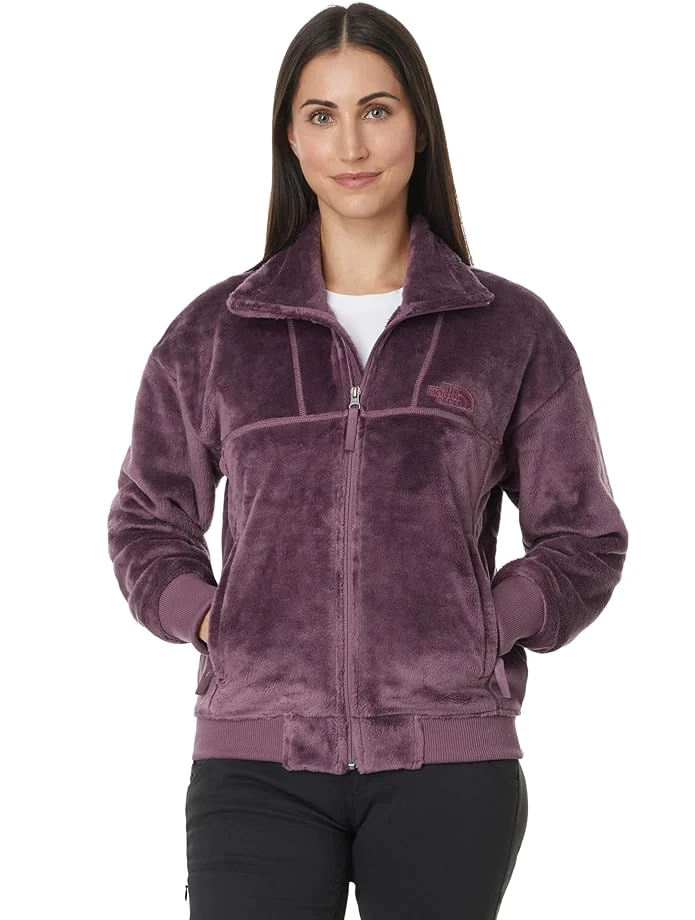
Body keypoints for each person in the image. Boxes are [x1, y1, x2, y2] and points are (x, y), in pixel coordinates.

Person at [107, 3, 628, 918]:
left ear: (420, 127)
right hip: (255, 762)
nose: (351, 143)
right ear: (292, 138)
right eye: (322, 114)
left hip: (448, 764)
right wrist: (213, 620)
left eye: (377, 110)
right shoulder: (216, 333)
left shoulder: (508, 330)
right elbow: (148, 520)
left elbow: (584, 536)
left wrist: (484, 624)